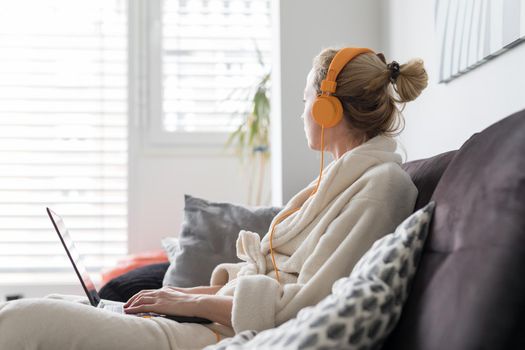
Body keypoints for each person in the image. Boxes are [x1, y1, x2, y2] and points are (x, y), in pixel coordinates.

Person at [0, 47, 428, 350]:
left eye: (304, 101)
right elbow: (278, 283)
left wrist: (188, 302)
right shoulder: (340, 181)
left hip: (229, 336)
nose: (302, 113)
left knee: (22, 320)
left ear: (326, 110)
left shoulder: (380, 188)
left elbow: (304, 305)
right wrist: (181, 300)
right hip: (218, 320)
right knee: (57, 303)